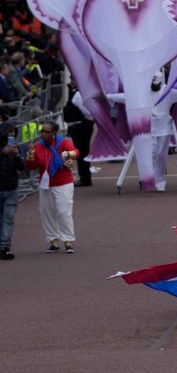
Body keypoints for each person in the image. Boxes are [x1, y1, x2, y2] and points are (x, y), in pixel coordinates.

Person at [106, 71, 177, 191]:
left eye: (155, 85)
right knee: (148, 155)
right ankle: (146, 179)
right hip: (147, 129)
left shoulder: (168, 92)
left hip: (164, 128)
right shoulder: (143, 92)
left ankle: (160, 182)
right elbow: (126, 97)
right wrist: (107, 96)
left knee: (161, 156)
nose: (152, 87)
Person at [24, 121, 80, 253]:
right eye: (42, 131)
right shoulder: (38, 146)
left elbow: (76, 152)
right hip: (45, 183)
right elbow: (31, 167)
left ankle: (68, 241)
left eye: (46, 132)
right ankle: (53, 241)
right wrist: (30, 155)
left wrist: (68, 155)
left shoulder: (63, 142)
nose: (43, 134)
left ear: (54, 133)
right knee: (47, 212)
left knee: (64, 211)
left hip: (63, 182)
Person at [0, 121, 25, 259]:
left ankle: (5, 248)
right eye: (9, 132)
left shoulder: (16, 148)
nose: (11, 135)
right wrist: (3, 153)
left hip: (11, 188)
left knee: (8, 219)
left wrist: (17, 156)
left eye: (13, 133)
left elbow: (22, 168)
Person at [63, 86, 95, 187]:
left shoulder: (78, 94)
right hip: (78, 127)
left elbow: (87, 112)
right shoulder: (76, 92)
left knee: (82, 153)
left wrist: (89, 120)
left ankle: (85, 178)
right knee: (81, 153)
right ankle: (84, 177)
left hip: (81, 127)